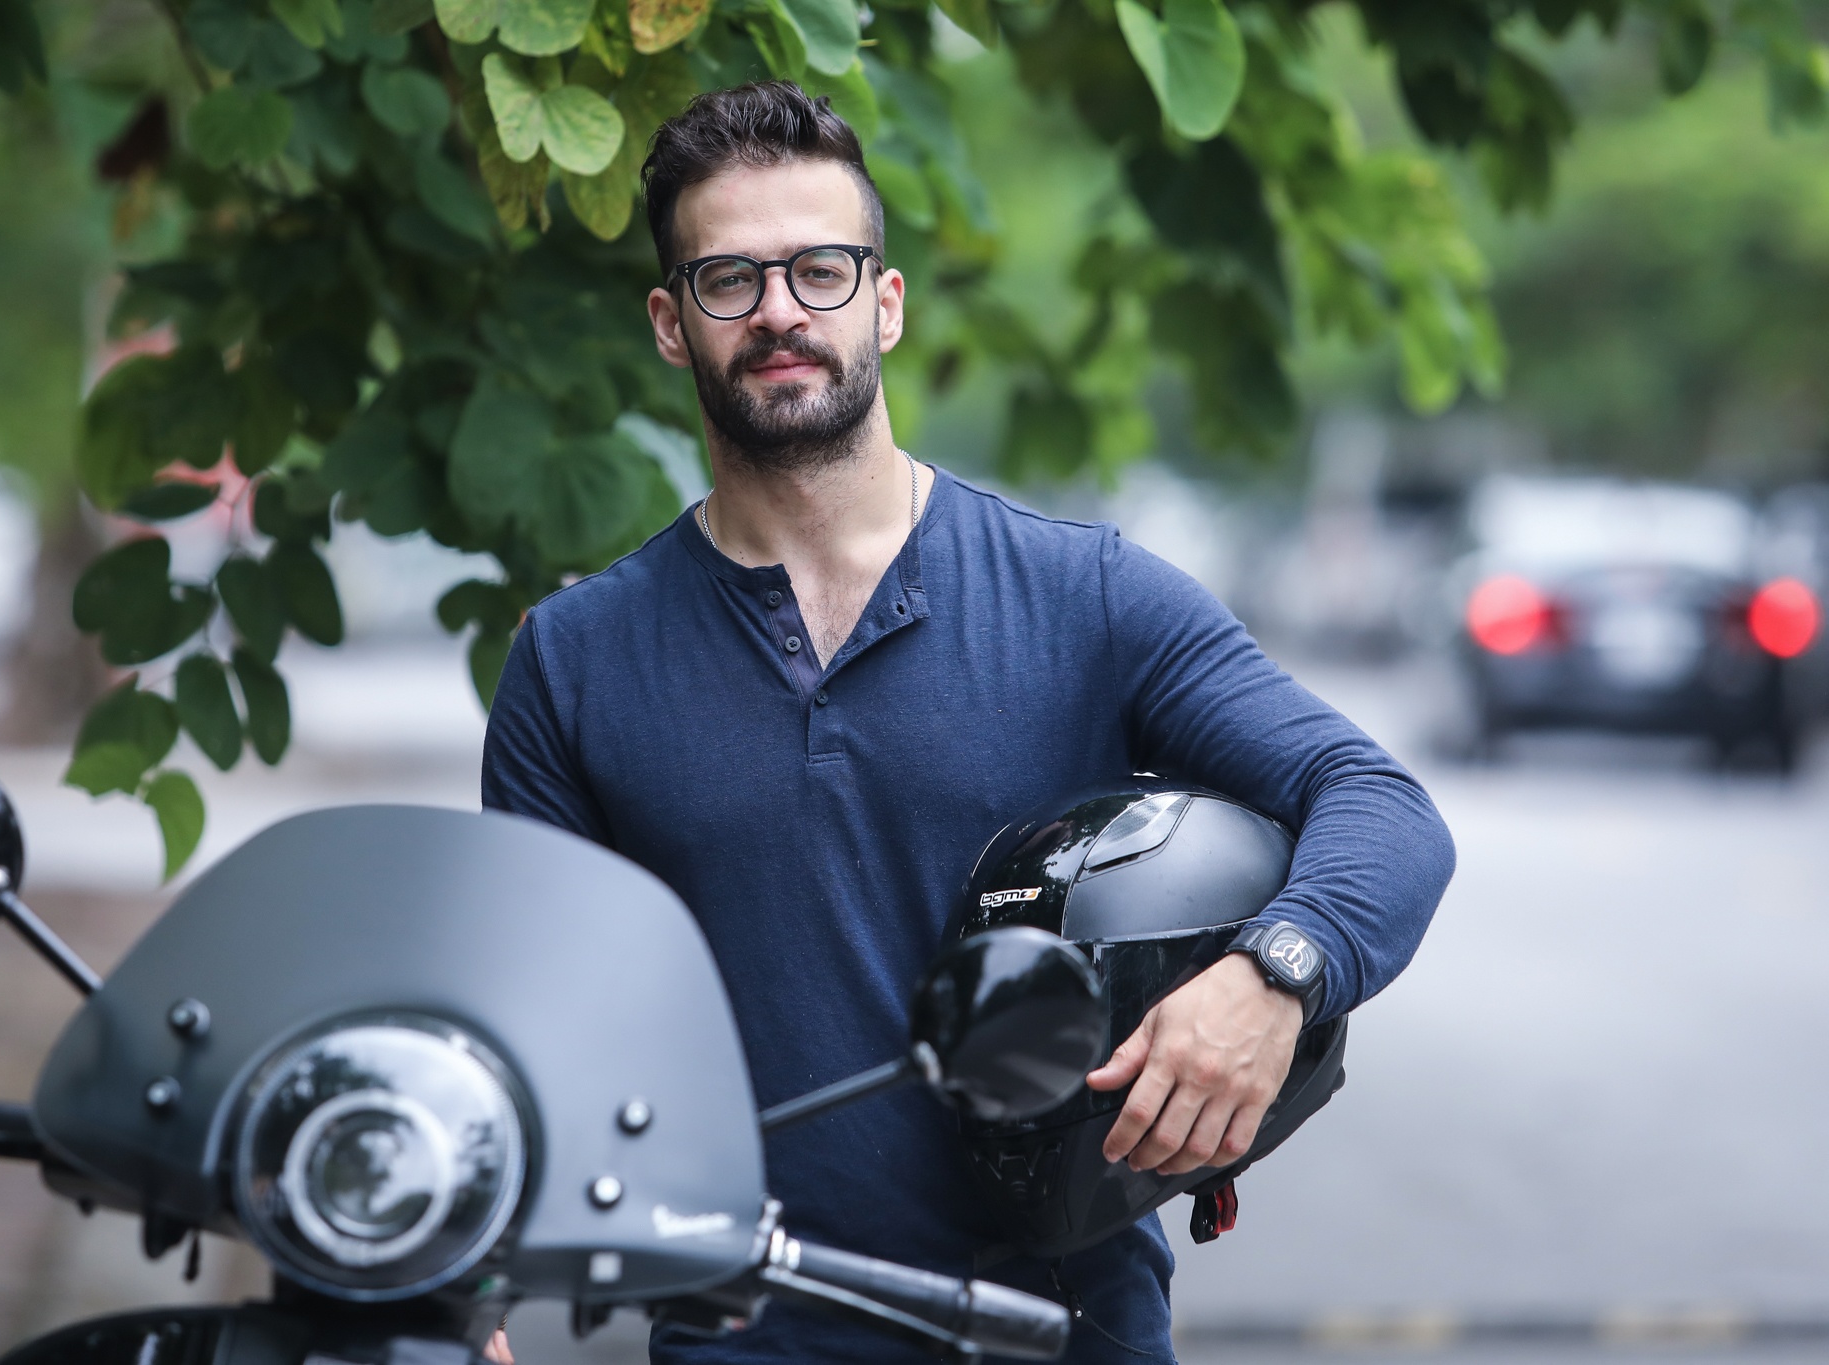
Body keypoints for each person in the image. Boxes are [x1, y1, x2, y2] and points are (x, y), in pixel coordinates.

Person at [481, 81, 1455, 1364]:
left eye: (819, 269)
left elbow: (1379, 806)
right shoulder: (575, 660)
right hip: (742, 1330)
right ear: (671, 325)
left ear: (883, 302)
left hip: (1060, 1322)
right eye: (728, 280)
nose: (778, 311)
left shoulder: (1084, 596)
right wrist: (462, 1277)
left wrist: (1273, 976)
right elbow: (525, 1010)